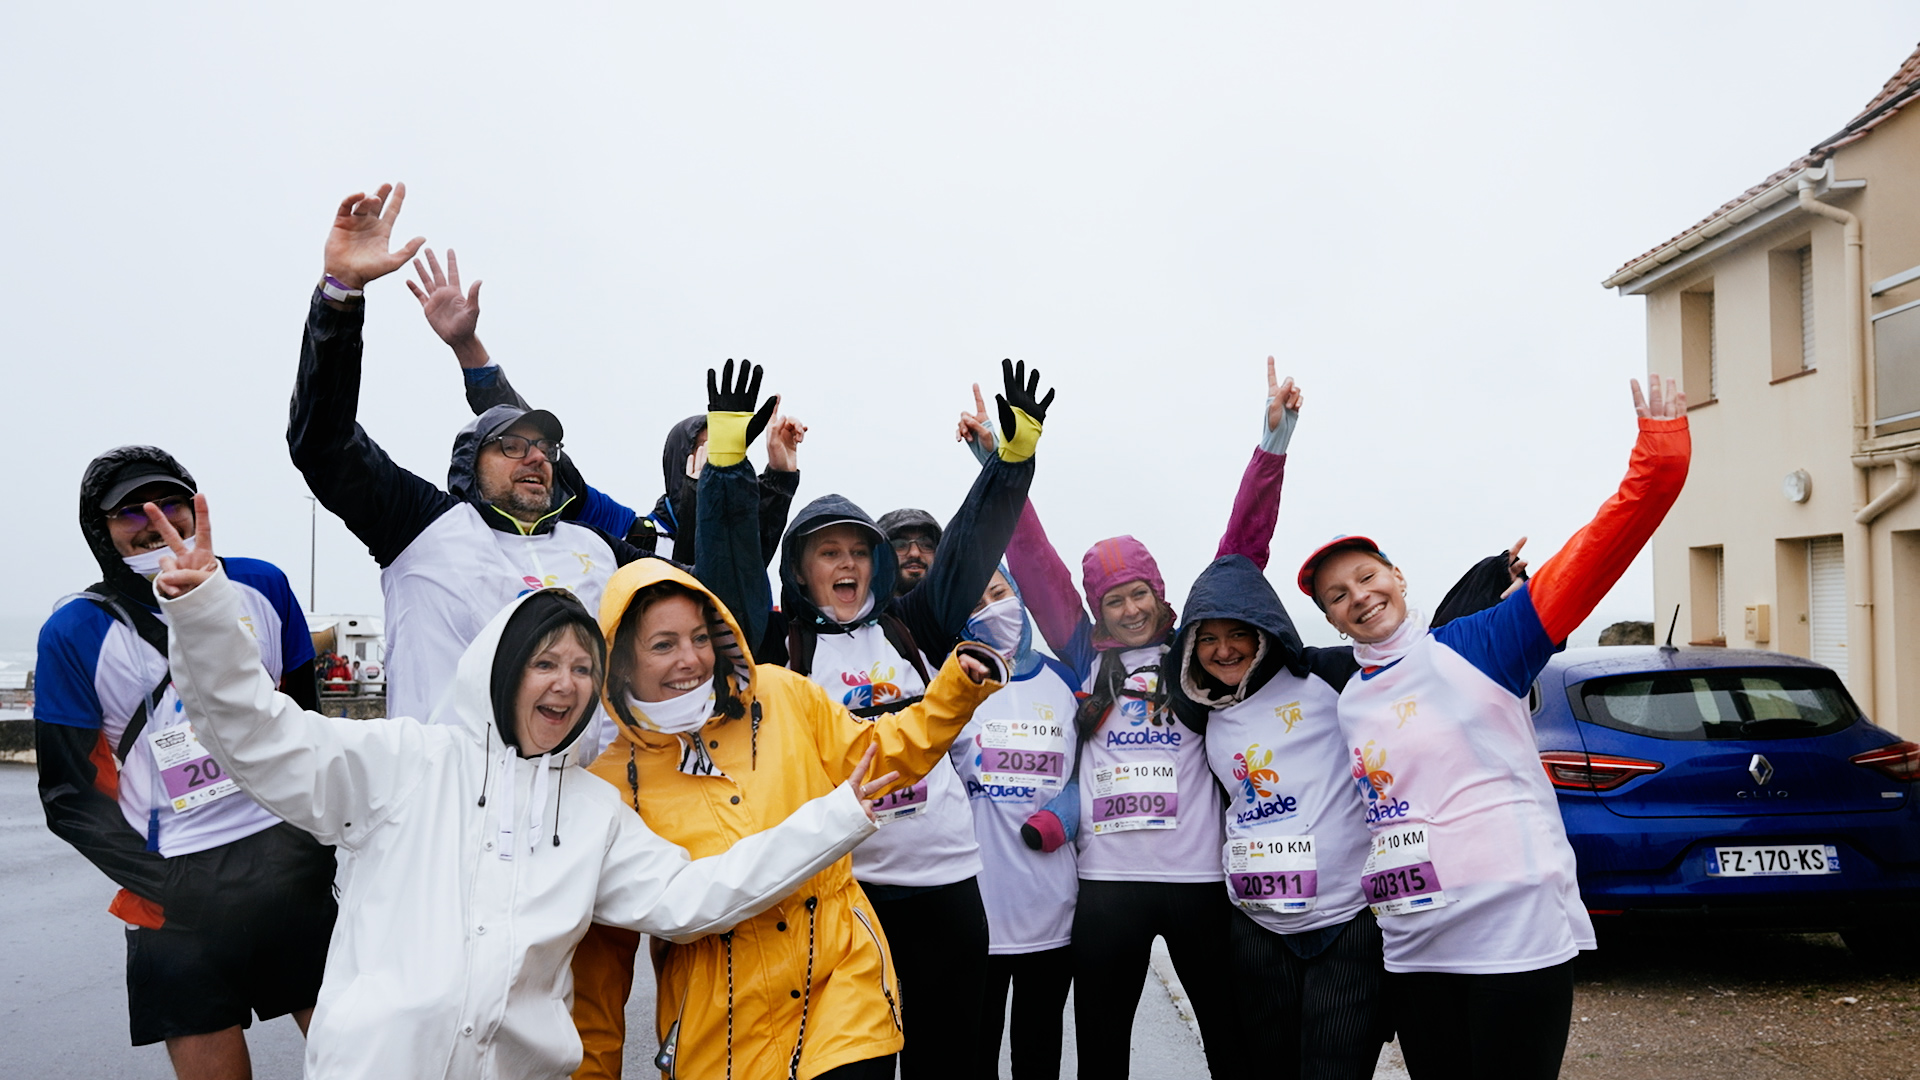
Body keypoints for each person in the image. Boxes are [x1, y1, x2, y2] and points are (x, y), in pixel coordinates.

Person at [144, 494, 899, 1080]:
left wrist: (839, 815)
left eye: (581, 667)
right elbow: (257, 737)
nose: (565, 684)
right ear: (501, 670)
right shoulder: (407, 764)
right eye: (545, 663)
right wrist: (206, 614)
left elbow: (695, 897)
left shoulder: (594, 811)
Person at [1296, 377, 1690, 1079]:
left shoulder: (1481, 646)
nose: (1359, 597)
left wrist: (1659, 459)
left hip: (1511, 933)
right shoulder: (1352, 696)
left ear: (1398, 574)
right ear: (1329, 618)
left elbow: (1596, 555)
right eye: (1338, 595)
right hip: (1414, 945)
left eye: (1366, 576)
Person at [287, 184, 774, 735]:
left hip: (585, 802)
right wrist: (341, 293)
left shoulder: (597, 548)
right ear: (470, 466)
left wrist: (728, 468)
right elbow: (323, 444)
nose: (535, 458)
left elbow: (720, 604)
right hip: (452, 801)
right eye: (512, 446)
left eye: (546, 448)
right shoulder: (420, 526)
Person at [715, 359, 1050, 1080]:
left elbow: (966, 545)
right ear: (800, 571)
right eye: (825, 553)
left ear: (874, 563)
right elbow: (726, 575)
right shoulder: (780, 645)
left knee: (953, 1065)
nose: (845, 565)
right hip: (840, 893)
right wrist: (725, 464)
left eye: (855, 552)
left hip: (945, 886)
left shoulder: (913, 626)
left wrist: (1011, 462)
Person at [976, 359, 1297, 1078]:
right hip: (1107, 888)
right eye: (1113, 598)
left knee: (1229, 1039)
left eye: (1139, 593)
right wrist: (994, 463)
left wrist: (1271, 448)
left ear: (1158, 594)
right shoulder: (1081, 652)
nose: (1128, 607)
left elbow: (1242, 553)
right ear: (1097, 608)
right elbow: (1034, 559)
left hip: (1197, 887)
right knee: (1102, 1052)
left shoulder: (1193, 649)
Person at [569, 559, 1011, 1080]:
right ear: (619, 661)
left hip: (841, 984)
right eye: (663, 645)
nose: (690, 659)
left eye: (699, 637)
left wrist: (956, 688)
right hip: (720, 1031)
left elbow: (877, 756)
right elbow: (599, 975)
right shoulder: (607, 787)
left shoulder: (781, 693)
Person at [1165, 545, 1524, 1080]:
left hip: (1346, 924)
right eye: (1208, 639)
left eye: (1236, 632)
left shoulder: (1327, 674)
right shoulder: (1204, 709)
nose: (1223, 650)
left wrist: (1488, 580)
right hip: (1256, 928)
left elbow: (1417, 657)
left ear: (1263, 629)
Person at [34, 448, 333, 1078]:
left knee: (361, 1053)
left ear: (196, 507)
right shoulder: (72, 633)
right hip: (173, 884)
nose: (154, 519)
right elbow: (69, 795)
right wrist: (163, 883)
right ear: (99, 529)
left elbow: (309, 725)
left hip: (288, 859)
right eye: (128, 511)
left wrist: (317, 838)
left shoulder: (263, 585)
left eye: (170, 501)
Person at [405, 247, 809, 563]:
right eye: (707, 446)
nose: (716, 458)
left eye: (727, 451)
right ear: (676, 460)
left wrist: (779, 474)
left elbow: (744, 568)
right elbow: (542, 451)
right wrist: (469, 349)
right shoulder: (627, 530)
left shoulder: (737, 538)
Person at [948, 566, 1080, 1080]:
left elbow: (1088, 771)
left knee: (1038, 1048)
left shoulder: (1062, 680)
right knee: (975, 1051)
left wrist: (1062, 816)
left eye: (999, 593)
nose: (992, 607)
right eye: (976, 601)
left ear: (1019, 597)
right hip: (974, 910)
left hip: (1050, 907)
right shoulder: (952, 683)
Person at [876, 508, 941, 597]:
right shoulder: (858, 609)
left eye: (926, 545)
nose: (915, 553)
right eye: (900, 545)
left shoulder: (960, 608)